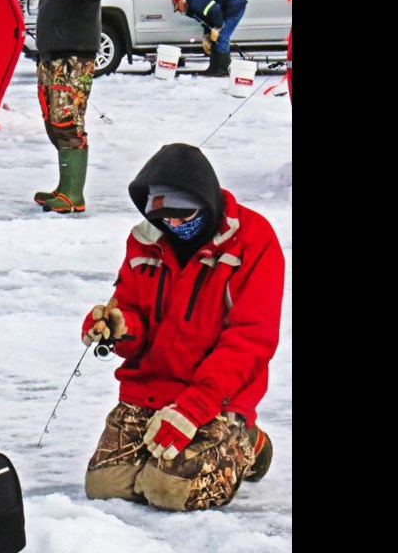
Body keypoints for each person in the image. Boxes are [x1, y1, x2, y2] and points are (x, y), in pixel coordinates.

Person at [79, 143, 283, 511]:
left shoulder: (254, 240)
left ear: (206, 202)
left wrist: (195, 407)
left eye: (184, 216)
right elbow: (133, 311)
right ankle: (183, 453)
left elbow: (250, 339)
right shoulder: (145, 240)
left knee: (167, 490)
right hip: (151, 389)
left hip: (217, 396)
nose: (174, 225)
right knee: (105, 487)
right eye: (164, 216)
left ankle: (247, 441)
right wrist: (121, 327)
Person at [30, 0, 103, 214]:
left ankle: (74, 194)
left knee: (67, 121)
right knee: (53, 120)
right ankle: (65, 186)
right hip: (53, 59)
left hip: (72, 61)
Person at [172, 0, 248, 77]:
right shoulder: (192, 8)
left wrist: (217, 28)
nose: (179, 11)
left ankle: (224, 70)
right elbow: (206, 21)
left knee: (222, 37)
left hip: (235, 6)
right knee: (214, 39)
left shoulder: (196, 1)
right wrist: (206, 35)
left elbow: (215, 9)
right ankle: (214, 68)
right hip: (224, 9)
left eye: (178, 8)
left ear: (181, 2)